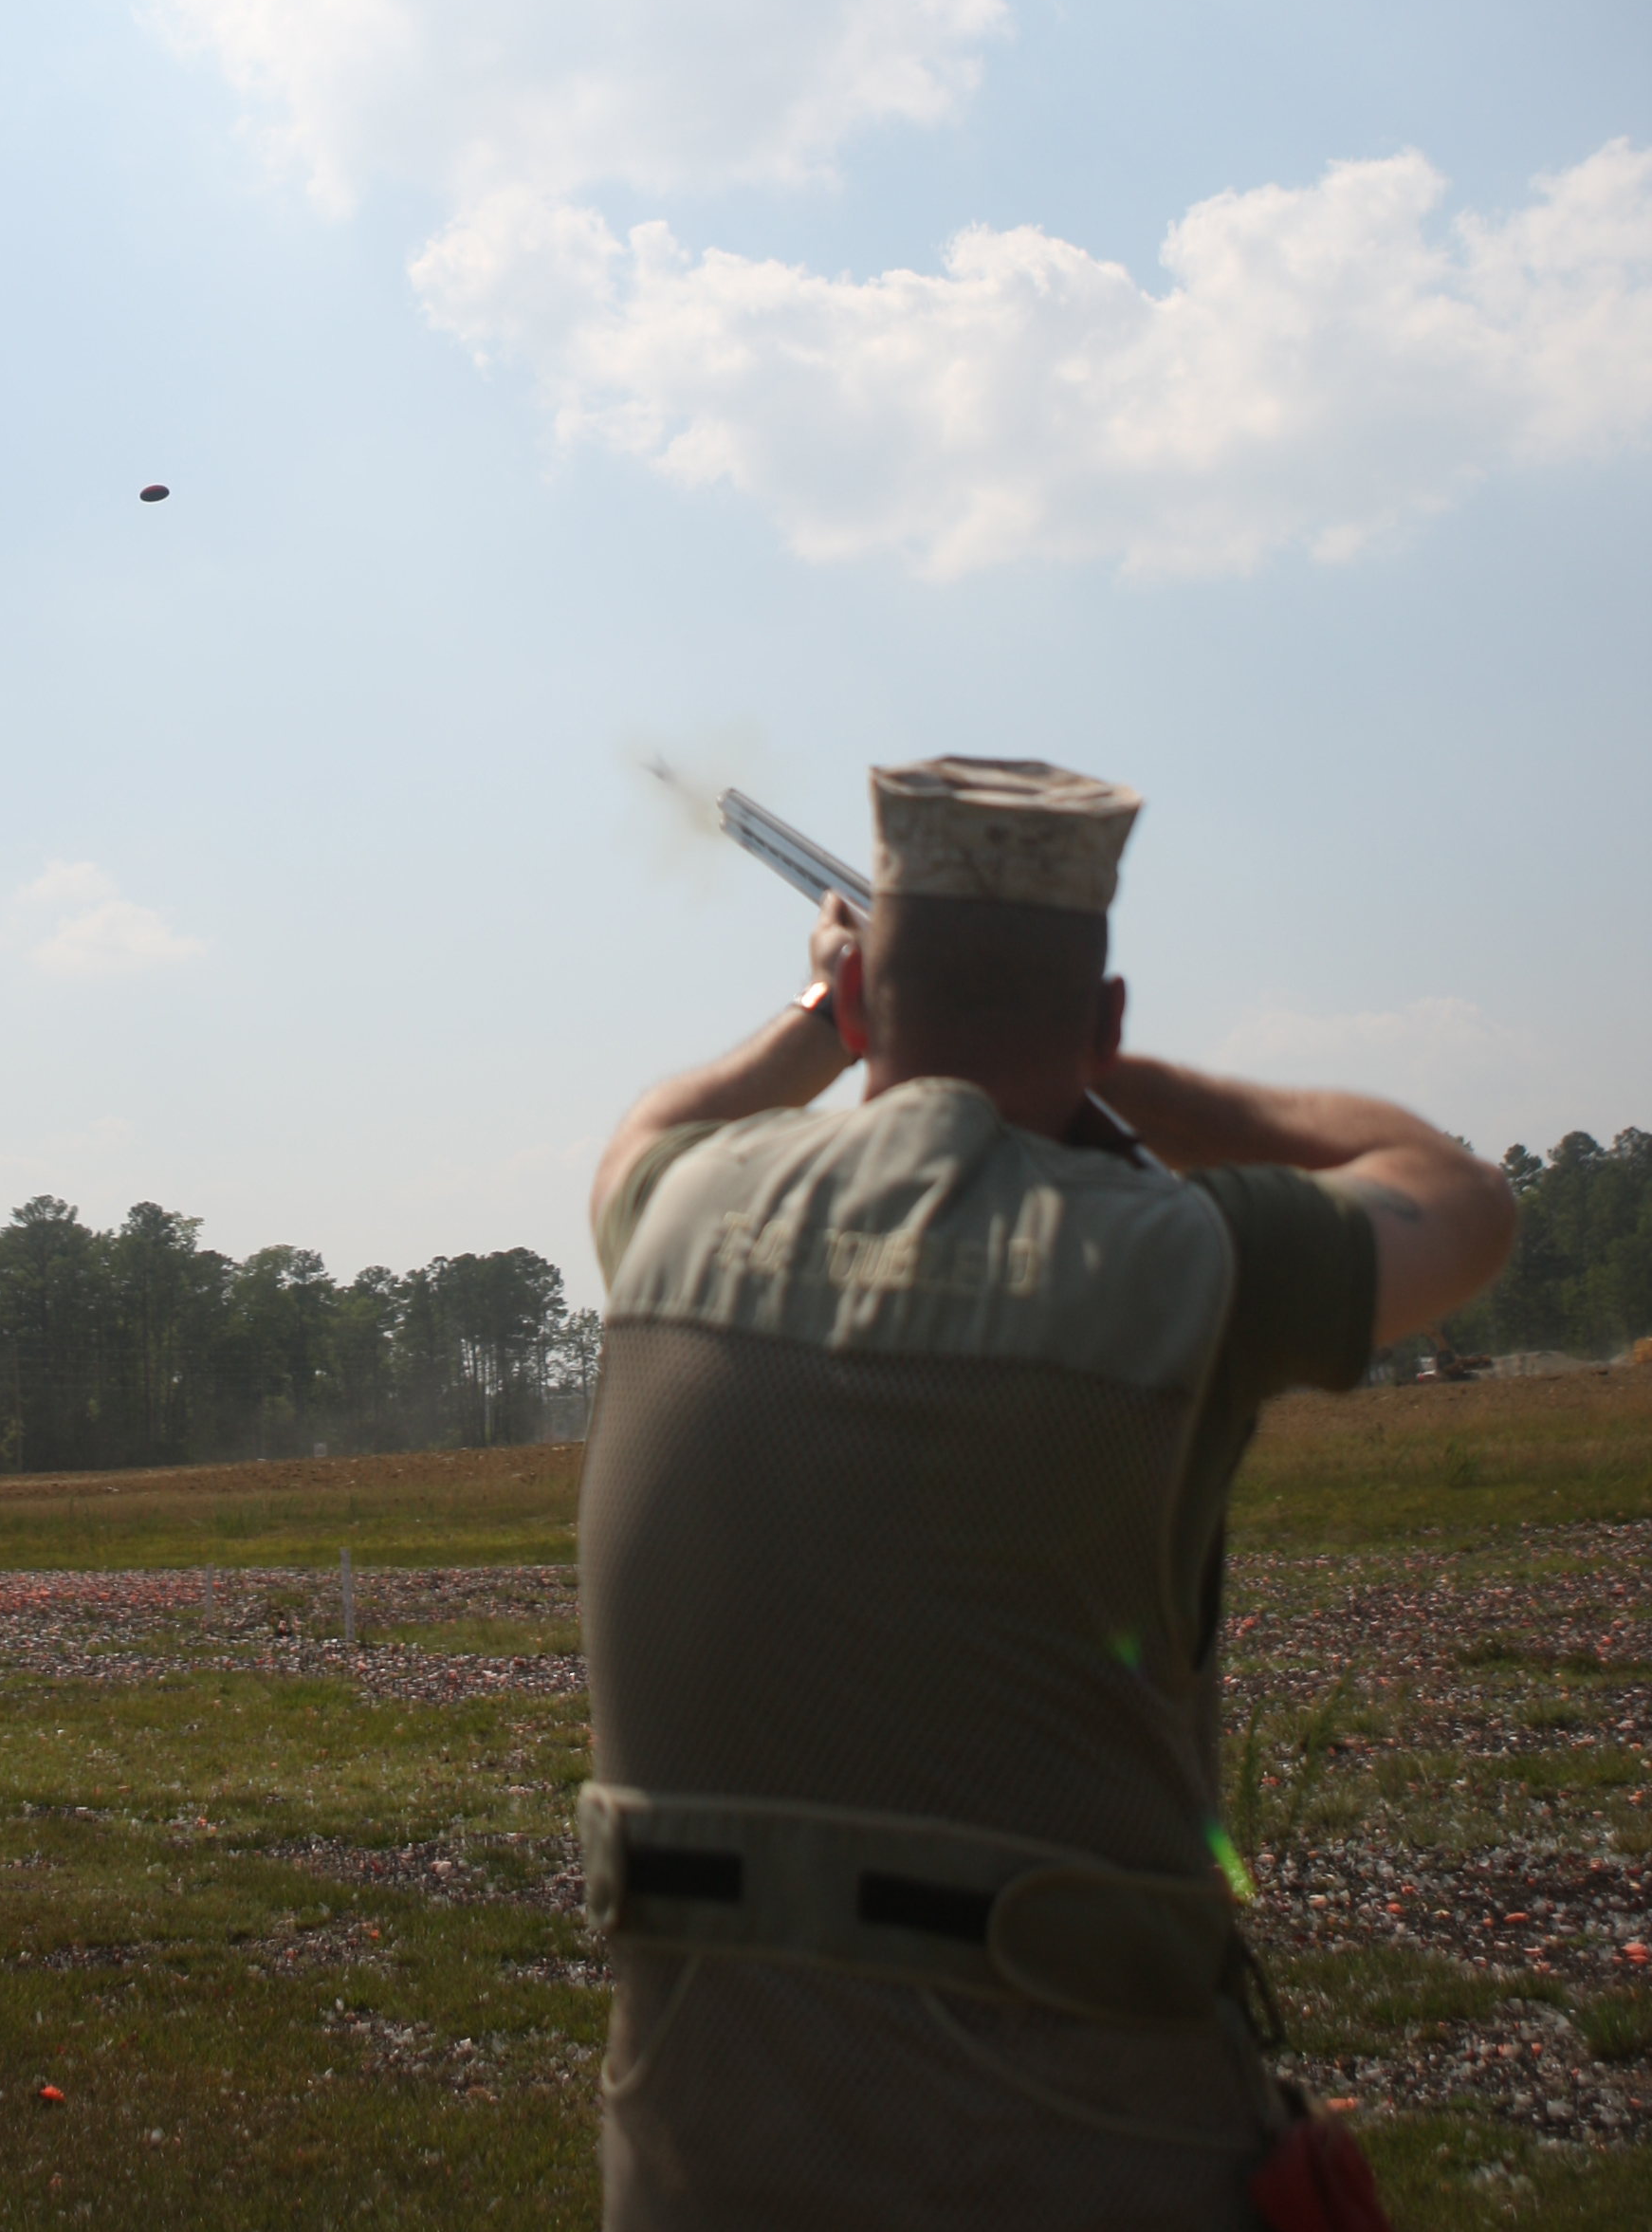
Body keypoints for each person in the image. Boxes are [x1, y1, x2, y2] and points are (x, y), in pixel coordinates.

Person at [577, 756, 1515, 2231]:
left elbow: (655, 1123)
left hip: (699, 2170)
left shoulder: (674, 1211)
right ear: (1104, 1017)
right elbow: (1460, 1195)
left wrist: (825, 1012)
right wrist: (1123, 1083)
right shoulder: (1193, 1256)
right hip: (1097, 2164)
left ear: (872, 1003)